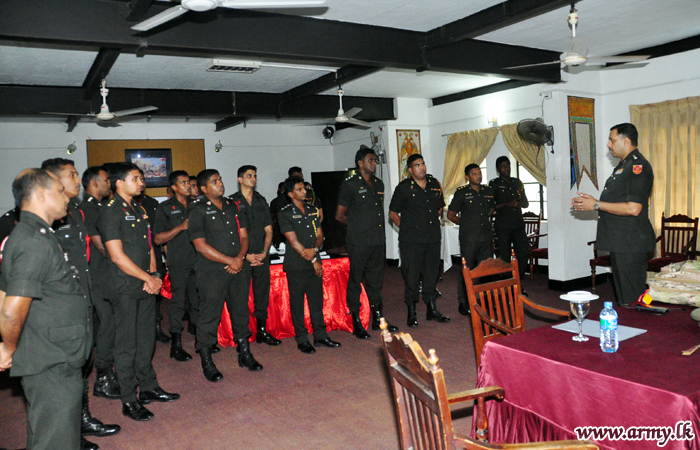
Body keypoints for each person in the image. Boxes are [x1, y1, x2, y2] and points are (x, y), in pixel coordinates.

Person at [0, 169, 93, 450]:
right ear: (41, 194)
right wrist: (9, 347)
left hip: (51, 350)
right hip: (50, 357)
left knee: (49, 432)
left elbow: (3, 291)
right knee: (56, 440)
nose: (66, 197)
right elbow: (10, 308)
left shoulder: (33, 233)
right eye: (60, 191)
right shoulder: (33, 240)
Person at [42, 159, 120, 450]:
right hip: (59, 305)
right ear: (52, 179)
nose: (78, 180)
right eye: (72, 175)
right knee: (62, 372)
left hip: (81, 298)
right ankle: (68, 430)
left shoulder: (73, 211)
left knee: (80, 363)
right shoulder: (45, 215)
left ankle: (82, 419)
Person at [96, 163, 180, 422]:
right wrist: (147, 278)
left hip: (146, 284)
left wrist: (154, 275)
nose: (141, 182)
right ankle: (129, 399)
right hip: (125, 287)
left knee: (146, 340)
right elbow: (116, 256)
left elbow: (149, 247)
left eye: (142, 178)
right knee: (126, 345)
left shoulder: (139, 209)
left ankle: (148, 386)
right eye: (135, 178)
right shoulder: (110, 211)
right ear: (119, 183)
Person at [188, 169, 262, 383]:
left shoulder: (233, 206)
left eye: (220, 180)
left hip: (238, 268)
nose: (220, 184)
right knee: (209, 315)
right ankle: (207, 361)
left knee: (240, 311)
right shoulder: (197, 209)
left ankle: (244, 353)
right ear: (204, 189)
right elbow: (200, 245)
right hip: (212, 272)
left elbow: (244, 236)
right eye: (214, 181)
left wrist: (239, 258)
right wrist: (230, 261)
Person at [572, 123, 655, 307]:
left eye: (612, 140)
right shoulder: (623, 166)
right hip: (621, 242)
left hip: (631, 243)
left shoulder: (638, 166)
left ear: (626, 141)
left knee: (632, 298)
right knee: (625, 297)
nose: (608, 145)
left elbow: (633, 208)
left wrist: (596, 204)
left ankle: (636, 324)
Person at [336, 146, 397, 339]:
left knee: (376, 280)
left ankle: (378, 318)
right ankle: (356, 321)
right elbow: (340, 215)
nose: (374, 163)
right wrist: (357, 226)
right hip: (359, 241)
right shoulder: (350, 184)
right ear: (360, 163)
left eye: (375, 160)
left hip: (377, 240)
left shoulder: (379, 184)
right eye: (370, 160)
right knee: (356, 280)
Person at [279, 176, 341, 354]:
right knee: (297, 304)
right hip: (296, 265)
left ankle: (320, 336)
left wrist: (314, 250)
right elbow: (293, 241)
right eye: (299, 189)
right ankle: (302, 339)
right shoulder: (285, 213)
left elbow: (320, 235)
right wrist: (314, 260)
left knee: (316, 302)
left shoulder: (313, 210)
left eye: (304, 188)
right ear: (290, 194)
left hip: (314, 260)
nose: (304, 191)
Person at [389, 154, 449, 327]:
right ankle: (411, 311)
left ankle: (432, 309)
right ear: (410, 170)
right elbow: (393, 214)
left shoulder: (434, 184)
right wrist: (408, 229)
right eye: (417, 165)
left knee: (431, 274)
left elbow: (439, 208)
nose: (422, 167)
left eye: (423, 164)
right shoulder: (403, 188)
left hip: (432, 238)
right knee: (412, 275)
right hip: (411, 241)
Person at [79, 167, 121, 401]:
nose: (109, 184)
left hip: (106, 274)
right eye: (106, 180)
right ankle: (103, 379)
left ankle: (108, 373)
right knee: (108, 324)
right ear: (95, 183)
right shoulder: (88, 208)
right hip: (98, 276)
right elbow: (100, 246)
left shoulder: (100, 206)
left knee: (109, 324)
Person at [230, 165, 281, 346]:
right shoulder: (232, 202)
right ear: (240, 179)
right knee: (240, 297)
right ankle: (241, 335)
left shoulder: (261, 200)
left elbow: (269, 230)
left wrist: (264, 253)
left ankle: (262, 331)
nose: (253, 179)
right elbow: (232, 234)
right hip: (242, 258)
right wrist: (245, 256)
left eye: (255, 176)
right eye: (249, 176)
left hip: (261, 255)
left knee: (262, 294)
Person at [154, 170, 200, 362]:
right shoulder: (165, 208)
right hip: (179, 261)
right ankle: (176, 344)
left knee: (198, 301)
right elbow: (158, 239)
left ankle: (202, 341)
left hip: (199, 260)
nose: (188, 186)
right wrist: (181, 227)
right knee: (178, 303)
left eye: (189, 182)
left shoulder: (197, 205)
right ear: (173, 187)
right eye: (183, 183)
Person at [447, 164, 495, 315]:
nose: (478, 176)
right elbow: (451, 215)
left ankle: (487, 300)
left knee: (487, 270)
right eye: (474, 174)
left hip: (485, 237)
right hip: (469, 238)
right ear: (467, 177)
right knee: (467, 270)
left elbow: (491, 209)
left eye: (479, 173)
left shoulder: (488, 191)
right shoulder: (462, 193)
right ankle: (463, 302)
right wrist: (465, 223)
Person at [134, 184, 170, 344]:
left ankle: (156, 328)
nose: (140, 183)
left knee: (155, 295)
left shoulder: (151, 203)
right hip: (134, 259)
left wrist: (166, 256)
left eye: (141, 179)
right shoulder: (121, 206)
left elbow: (158, 232)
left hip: (153, 255)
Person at [488, 156, 529, 282]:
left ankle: (518, 279)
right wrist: (507, 204)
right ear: (498, 169)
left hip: (518, 224)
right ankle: (507, 281)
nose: (506, 168)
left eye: (508, 165)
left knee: (523, 253)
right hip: (503, 225)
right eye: (503, 166)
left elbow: (526, 203)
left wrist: (519, 203)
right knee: (504, 256)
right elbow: (490, 207)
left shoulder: (517, 182)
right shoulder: (494, 184)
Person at [269, 182, 287, 250]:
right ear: (279, 189)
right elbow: (271, 216)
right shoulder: (275, 202)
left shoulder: (291, 201)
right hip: (278, 228)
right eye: (283, 189)